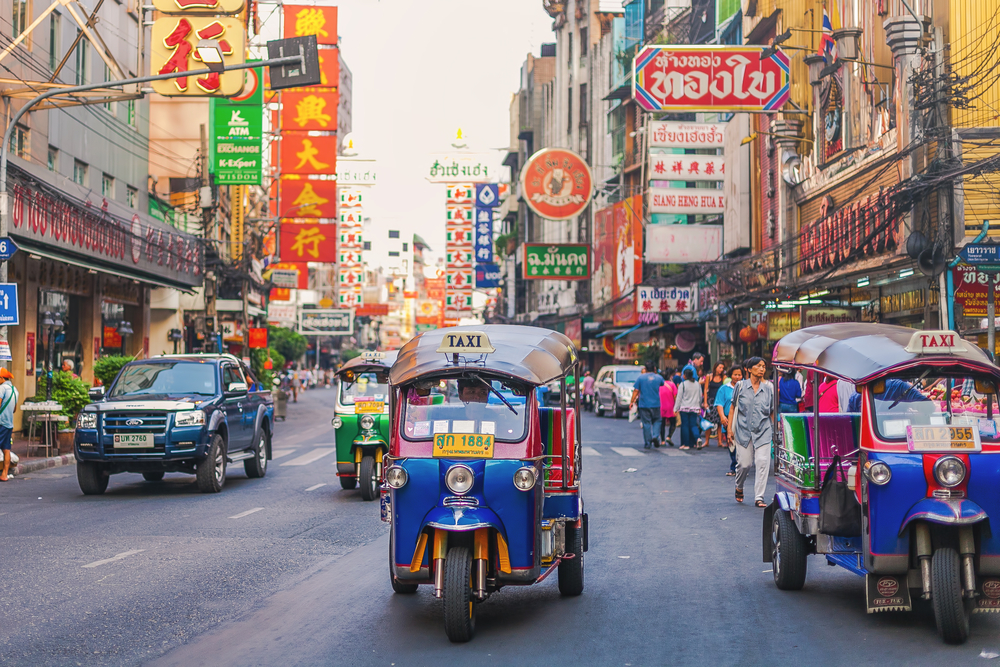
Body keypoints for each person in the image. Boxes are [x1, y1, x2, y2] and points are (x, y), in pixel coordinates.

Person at [728, 357, 775, 507]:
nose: (762, 369)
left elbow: (772, 412)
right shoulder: (740, 386)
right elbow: (733, 408)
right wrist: (730, 429)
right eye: (758, 366)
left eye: (763, 366)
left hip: (763, 431)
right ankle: (739, 486)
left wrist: (776, 431)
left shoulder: (769, 389)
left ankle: (759, 497)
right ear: (748, 369)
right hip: (743, 431)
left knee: (762, 462)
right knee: (744, 464)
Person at [715, 365, 744, 476]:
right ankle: (734, 466)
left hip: (742, 418)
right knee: (731, 442)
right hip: (728, 419)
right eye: (735, 374)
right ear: (730, 375)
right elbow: (719, 403)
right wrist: (722, 417)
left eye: (739, 375)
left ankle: (741, 466)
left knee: (742, 443)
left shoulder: (745, 387)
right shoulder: (724, 388)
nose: (737, 377)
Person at [629, 362, 665, 449]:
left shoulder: (640, 378)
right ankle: (655, 436)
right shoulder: (659, 378)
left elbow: (636, 391)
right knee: (657, 421)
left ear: (645, 368)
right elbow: (662, 384)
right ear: (654, 368)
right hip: (656, 404)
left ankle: (647, 442)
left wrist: (632, 401)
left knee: (646, 423)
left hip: (644, 404)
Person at [674, 367, 702, 450]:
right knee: (693, 425)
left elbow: (679, 398)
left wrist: (675, 408)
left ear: (685, 376)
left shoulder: (682, 384)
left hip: (684, 408)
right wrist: (699, 407)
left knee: (685, 426)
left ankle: (686, 444)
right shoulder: (697, 384)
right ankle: (697, 438)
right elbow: (700, 397)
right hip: (694, 408)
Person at [702, 362, 726, 447]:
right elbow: (705, 389)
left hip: (719, 402)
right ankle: (706, 441)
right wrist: (705, 402)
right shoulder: (709, 377)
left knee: (719, 422)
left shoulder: (723, 377)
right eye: (720, 367)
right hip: (711, 401)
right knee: (708, 421)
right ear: (715, 367)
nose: (721, 370)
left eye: (722, 368)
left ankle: (719, 442)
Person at [0, 368, 17, 482]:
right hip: (9, 424)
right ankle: (4, 474)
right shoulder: (15, 390)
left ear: (1, 378)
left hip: (0, 422)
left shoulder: (2, 388)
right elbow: (14, 409)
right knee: (6, 450)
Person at [659, 371, 678, 446]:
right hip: (671, 406)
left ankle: (662, 440)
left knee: (662, 424)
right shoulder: (672, 384)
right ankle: (669, 436)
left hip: (661, 406)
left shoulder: (659, 385)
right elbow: (675, 396)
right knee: (673, 423)